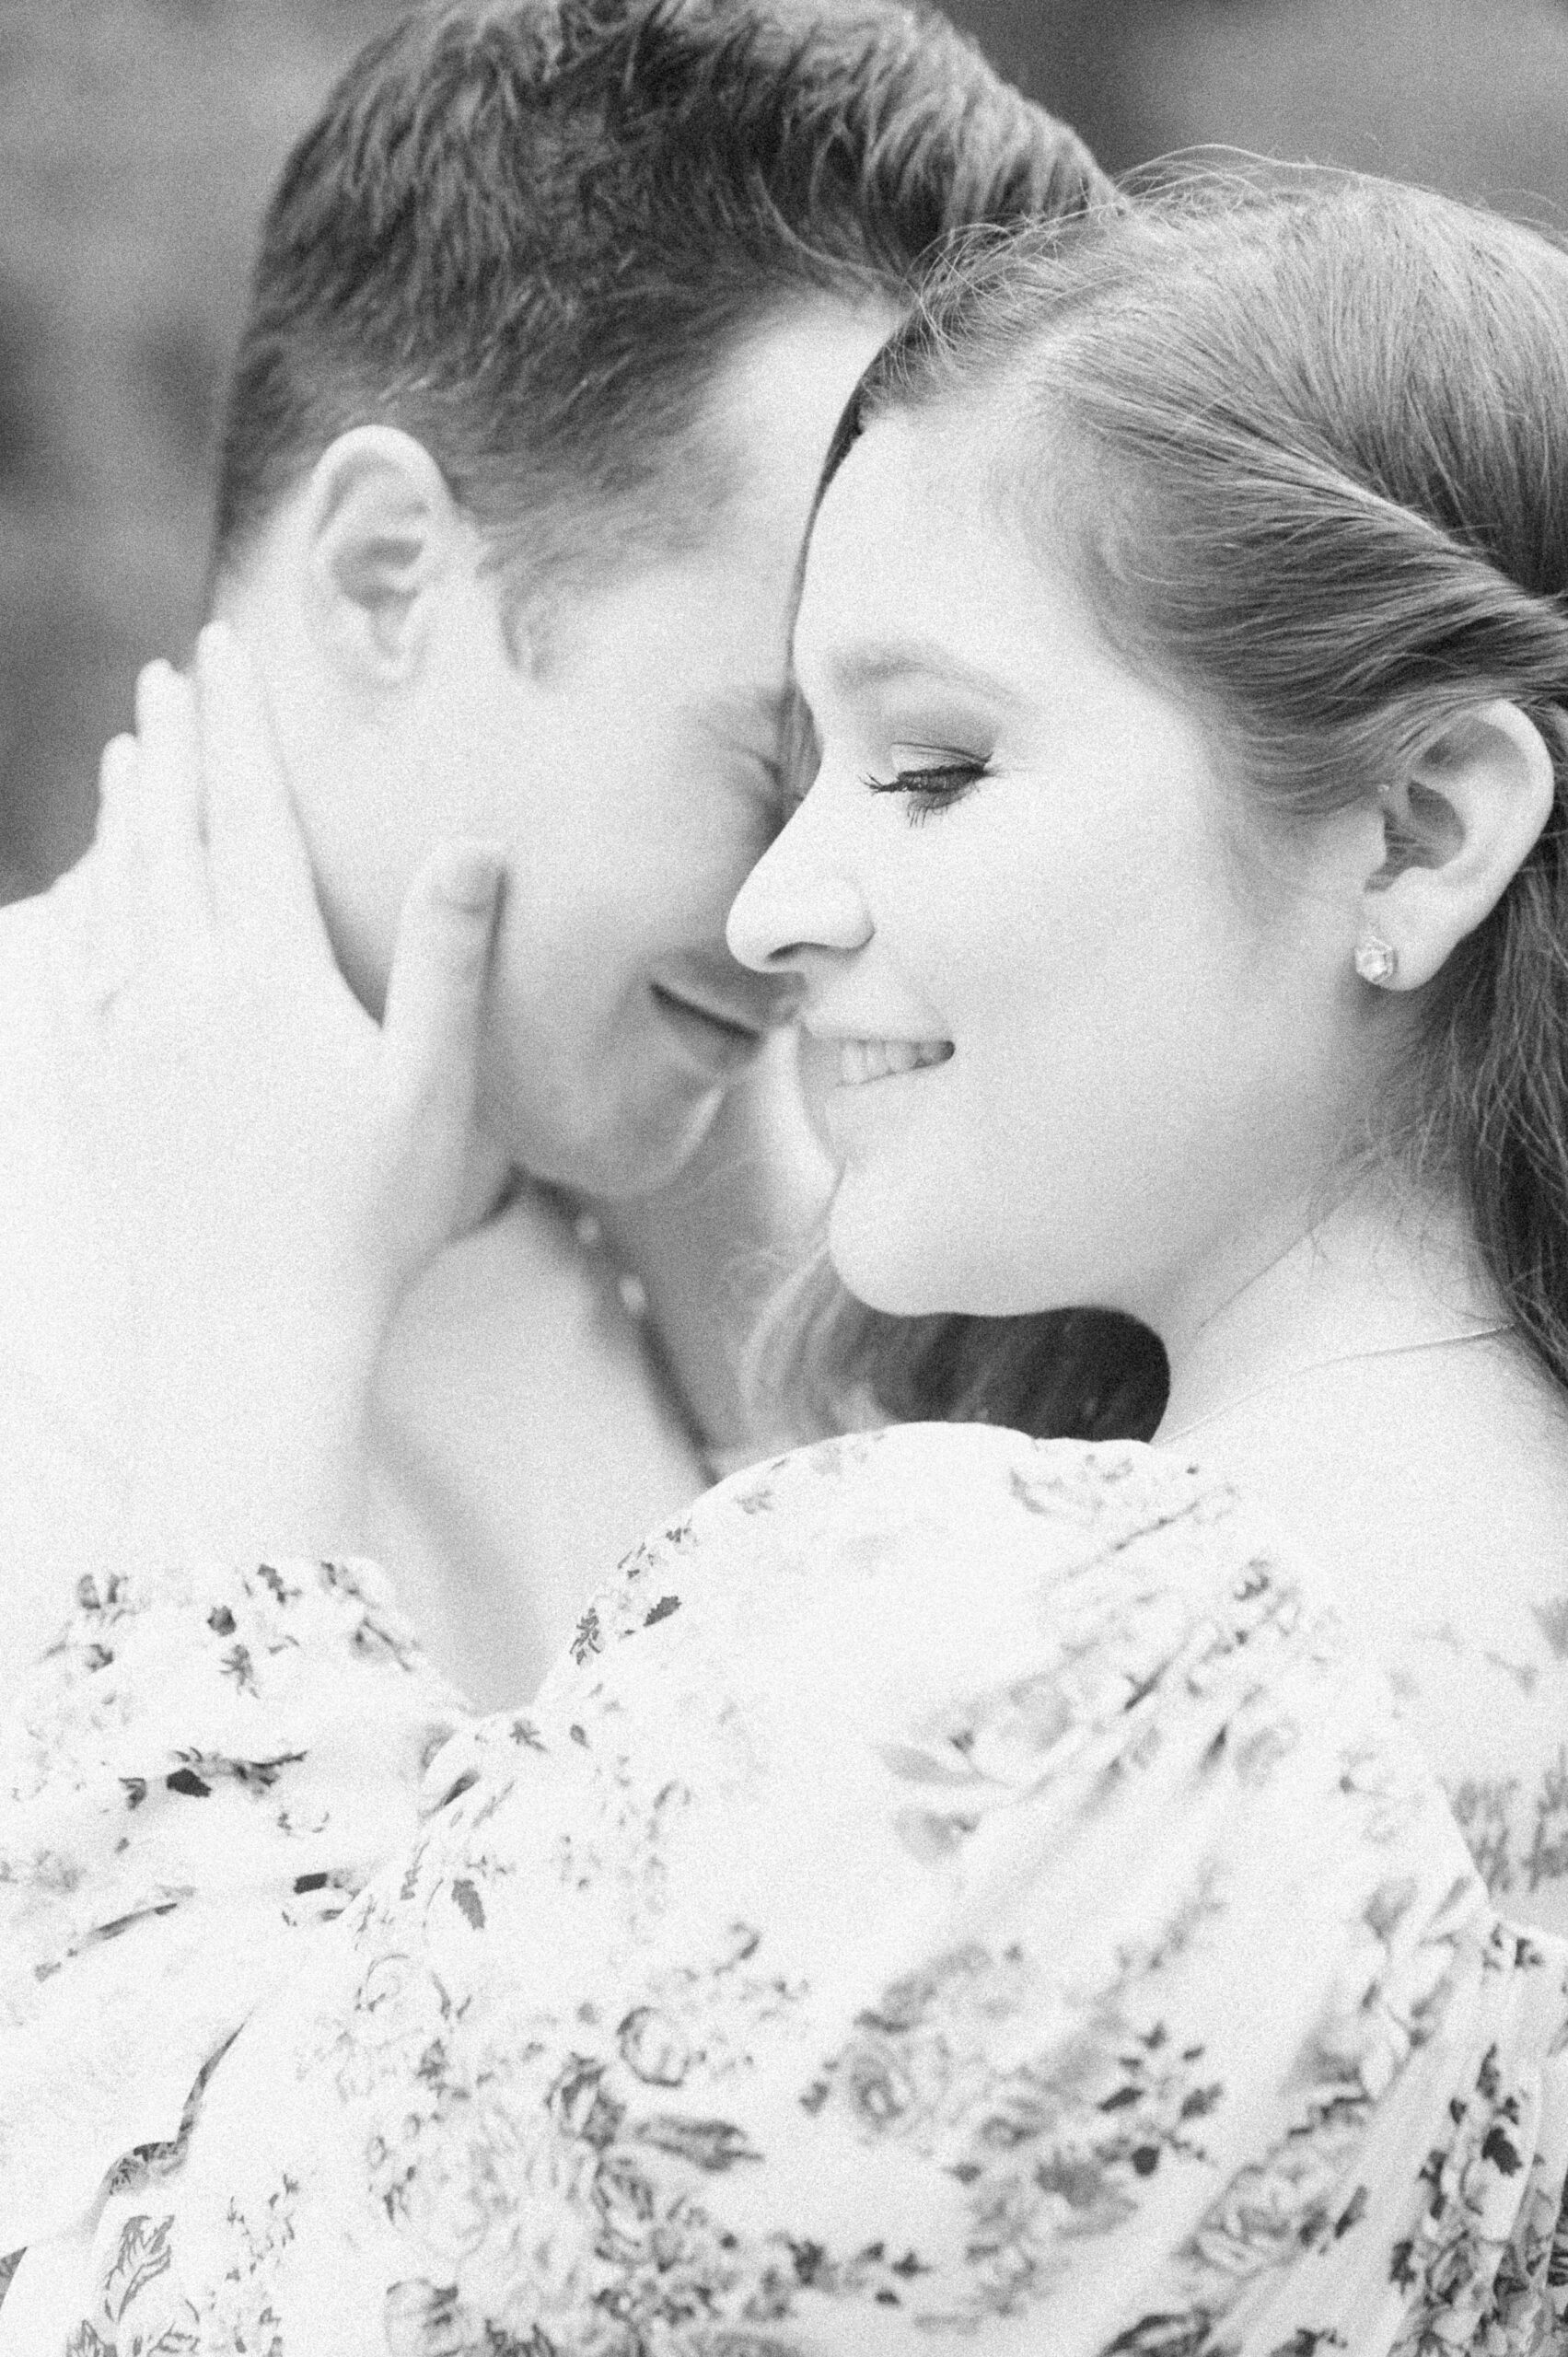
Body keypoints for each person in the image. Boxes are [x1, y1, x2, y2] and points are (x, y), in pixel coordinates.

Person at [8, 170, 1568, 2351]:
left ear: (1418, 828)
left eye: (927, 764)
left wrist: (254, 1324)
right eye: (786, 764)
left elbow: (161, 2307)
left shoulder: (1063, 1673)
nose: (777, 905)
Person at [0, 0, 1109, 1713]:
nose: (833, 911)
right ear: (387, 575)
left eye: (922, 777)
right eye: (773, 760)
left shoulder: (795, 1315)